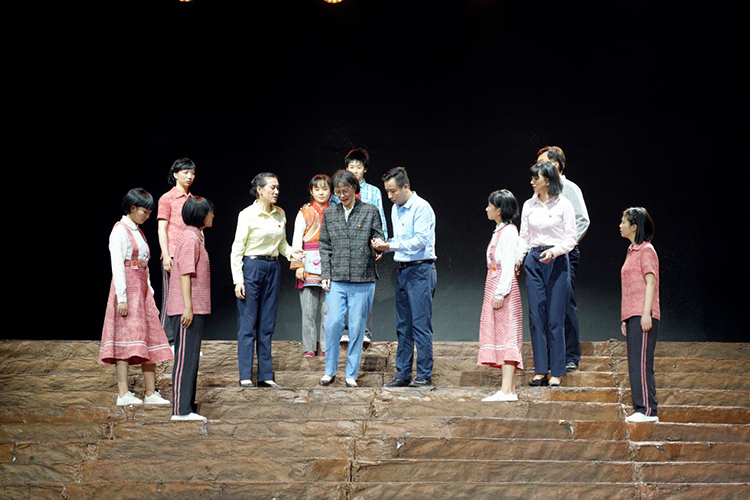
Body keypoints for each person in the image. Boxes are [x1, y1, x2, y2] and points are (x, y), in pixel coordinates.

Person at [99, 188, 173, 406]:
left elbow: (144, 267)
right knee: (124, 338)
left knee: (149, 338)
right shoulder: (120, 231)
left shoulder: (139, 232)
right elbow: (118, 266)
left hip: (141, 291)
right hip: (127, 290)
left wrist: (149, 291)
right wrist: (122, 297)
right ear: (132, 208)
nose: (147, 216)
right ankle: (123, 393)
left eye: (150, 213)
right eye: (145, 212)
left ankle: (150, 392)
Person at [230, 173, 303, 389]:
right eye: (272, 187)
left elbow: (281, 244)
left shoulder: (280, 213)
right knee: (248, 322)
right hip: (252, 267)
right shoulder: (248, 214)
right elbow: (237, 249)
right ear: (260, 190)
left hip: (272, 267)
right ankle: (245, 375)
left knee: (267, 323)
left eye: (278, 187)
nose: (276, 191)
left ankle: (265, 375)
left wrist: (292, 253)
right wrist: (238, 279)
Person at [372, 167, 437, 388]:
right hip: (403, 270)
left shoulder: (421, 207)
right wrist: (384, 245)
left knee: (420, 324)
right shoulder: (395, 209)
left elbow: (420, 241)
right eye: (387, 192)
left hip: (421, 270)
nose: (390, 196)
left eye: (393, 191)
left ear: (405, 187)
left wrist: (390, 246)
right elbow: (399, 240)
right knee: (403, 326)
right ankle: (403, 374)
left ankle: (424, 375)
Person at [318, 170, 384, 388]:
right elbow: (324, 245)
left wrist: (378, 246)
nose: (342, 195)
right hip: (337, 278)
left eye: (345, 191)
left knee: (356, 328)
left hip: (363, 279)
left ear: (355, 189)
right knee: (333, 324)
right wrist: (326, 274)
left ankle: (351, 374)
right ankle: (329, 371)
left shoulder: (370, 211)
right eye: (338, 192)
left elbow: (378, 235)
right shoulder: (330, 214)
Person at [519, 162, 576, 388]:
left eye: (537, 178)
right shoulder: (529, 205)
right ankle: (540, 370)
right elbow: (524, 237)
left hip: (557, 260)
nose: (532, 182)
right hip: (534, 260)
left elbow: (571, 238)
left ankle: (557, 371)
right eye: (532, 178)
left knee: (554, 318)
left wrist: (554, 251)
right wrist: (519, 259)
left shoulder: (564, 204)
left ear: (549, 180)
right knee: (536, 317)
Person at [537, 146, 590, 371]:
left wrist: (565, 245)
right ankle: (552, 355)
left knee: (565, 303)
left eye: (542, 162)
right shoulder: (540, 191)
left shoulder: (569, 188)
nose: (538, 167)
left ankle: (570, 355)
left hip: (564, 254)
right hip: (543, 254)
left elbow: (582, 220)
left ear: (556, 164)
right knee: (545, 304)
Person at [167, 196, 214, 422]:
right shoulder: (190, 239)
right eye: (210, 212)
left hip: (194, 308)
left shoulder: (195, 237)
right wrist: (187, 307)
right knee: (185, 360)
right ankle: (180, 410)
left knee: (191, 359)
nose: (212, 215)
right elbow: (185, 274)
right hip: (186, 309)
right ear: (201, 215)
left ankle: (187, 406)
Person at [334, 149, 388, 345]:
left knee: (365, 290)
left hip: (366, 246)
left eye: (358, 167)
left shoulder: (373, 191)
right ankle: (345, 331)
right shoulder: (338, 192)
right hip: (344, 246)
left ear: (365, 169)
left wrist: (380, 245)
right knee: (343, 289)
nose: (355, 170)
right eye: (351, 167)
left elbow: (380, 219)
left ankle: (364, 332)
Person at [478, 190, 525, 402]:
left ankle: (507, 390)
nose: (487, 209)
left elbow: (507, 264)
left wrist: (500, 292)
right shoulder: (500, 231)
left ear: (499, 210)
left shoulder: (509, 232)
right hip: (494, 282)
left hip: (502, 286)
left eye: (490, 205)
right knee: (501, 334)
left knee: (507, 335)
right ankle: (509, 389)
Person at [619, 207, 660, 423]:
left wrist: (646, 314)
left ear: (634, 226)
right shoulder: (631, 251)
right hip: (632, 314)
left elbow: (650, 283)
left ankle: (648, 410)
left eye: (623, 222)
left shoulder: (646, 250)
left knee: (642, 363)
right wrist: (625, 318)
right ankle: (641, 408)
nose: (620, 225)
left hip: (643, 314)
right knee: (635, 363)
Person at [291, 174, 332, 357]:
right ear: (311, 191)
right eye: (317, 189)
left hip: (330, 264)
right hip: (308, 264)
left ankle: (326, 346)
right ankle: (309, 347)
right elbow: (296, 240)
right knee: (308, 311)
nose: (321, 193)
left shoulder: (335, 211)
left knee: (328, 311)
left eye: (325, 189)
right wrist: (298, 265)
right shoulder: (304, 212)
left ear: (330, 191)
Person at [157, 158, 196, 347]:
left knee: (188, 299)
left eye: (192, 173)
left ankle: (184, 342)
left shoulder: (193, 200)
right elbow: (161, 228)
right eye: (185, 172)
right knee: (170, 299)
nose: (190, 176)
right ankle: (167, 342)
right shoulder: (167, 198)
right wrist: (165, 254)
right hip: (173, 253)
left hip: (191, 255)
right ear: (175, 174)